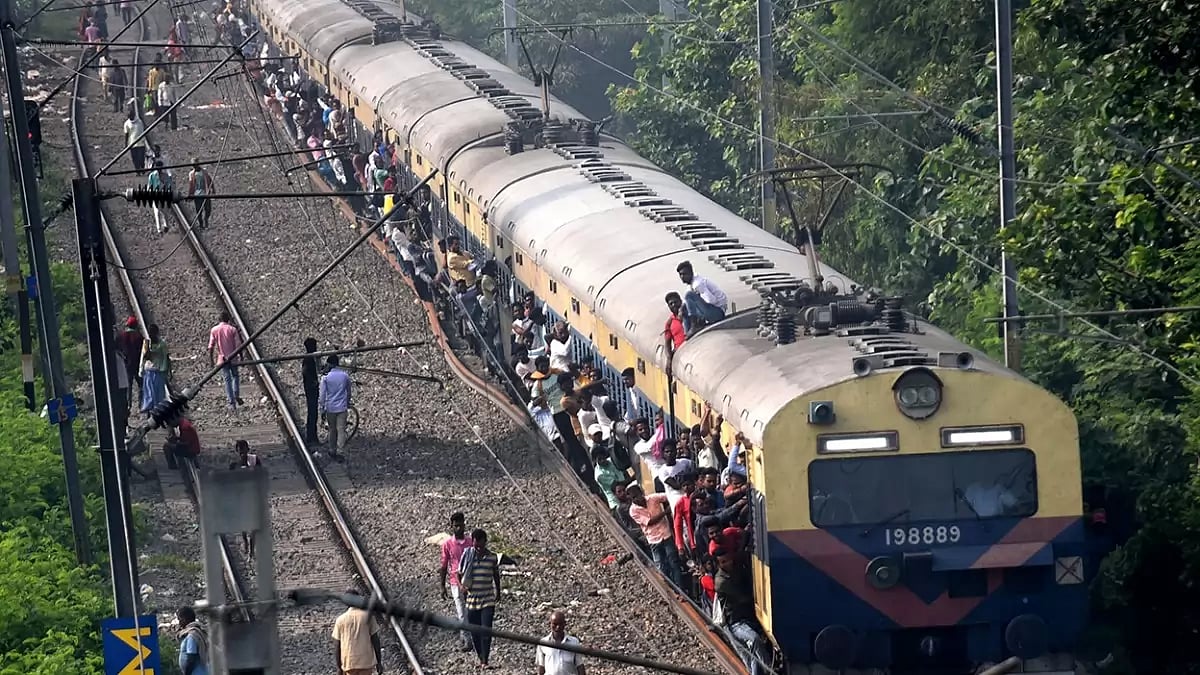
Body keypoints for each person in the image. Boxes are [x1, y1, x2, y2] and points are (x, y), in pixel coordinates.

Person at [627, 482, 684, 588]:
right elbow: (650, 522)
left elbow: (668, 496)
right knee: (661, 567)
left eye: (638, 495)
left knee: (674, 562)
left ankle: (680, 589)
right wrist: (665, 512)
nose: (637, 499)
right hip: (653, 539)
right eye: (634, 497)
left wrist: (670, 505)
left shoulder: (653, 498)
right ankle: (670, 588)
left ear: (642, 492)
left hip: (666, 535)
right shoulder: (633, 511)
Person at [459, 528, 500, 667]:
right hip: (472, 600)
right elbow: (459, 573)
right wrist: (461, 587)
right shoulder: (468, 555)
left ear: (485, 542)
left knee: (486, 629)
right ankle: (480, 655)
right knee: (475, 631)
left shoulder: (492, 557)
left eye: (480, 545)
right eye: (476, 545)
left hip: (487, 599)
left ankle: (485, 660)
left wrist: (498, 591)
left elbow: (496, 574)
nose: (478, 548)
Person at [438, 512, 475, 651]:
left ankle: (466, 634)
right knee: (461, 610)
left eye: (461, 525)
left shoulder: (470, 542)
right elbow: (443, 565)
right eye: (456, 526)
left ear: (464, 525)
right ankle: (467, 638)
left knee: (470, 610)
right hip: (455, 582)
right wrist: (442, 586)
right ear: (452, 527)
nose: (459, 528)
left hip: (471, 581)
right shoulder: (447, 544)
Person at [332, 590, 384, 675]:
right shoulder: (368, 617)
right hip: (366, 662)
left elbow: (337, 645)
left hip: (349, 663)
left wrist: (339, 667)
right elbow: (375, 640)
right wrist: (379, 662)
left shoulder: (340, 620)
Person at [676, 261, 728, 335]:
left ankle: (695, 325)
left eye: (684, 274)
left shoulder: (698, 284)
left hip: (718, 312)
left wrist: (699, 305)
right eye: (680, 274)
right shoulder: (691, 285)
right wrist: (681, 309)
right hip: (712, 311)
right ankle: (687, 332)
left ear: (691, 273)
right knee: (684, 308)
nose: (682, 277)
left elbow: (712, 301)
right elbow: (686, 303)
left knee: (689, 295)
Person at [229, 440, 261, 555]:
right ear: (237, 451)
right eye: (240, 451)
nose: (242, 453)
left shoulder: (254, 460)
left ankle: (251, 549)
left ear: (248, 449)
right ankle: (245, 542)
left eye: (244, 450)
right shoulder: (234, 465)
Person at [319, 354, 351, 458]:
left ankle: (332, 449)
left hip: (330, 407)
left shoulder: (326, 378)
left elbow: (322, 395)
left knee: (332, 429)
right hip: (342, 407)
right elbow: (349, 392)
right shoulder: (345, 376)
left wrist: (322, 408)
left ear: (329, 364)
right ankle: (340, 451)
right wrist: (347, 402)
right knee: (341, 429)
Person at [208, 311, 242, 409]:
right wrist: (241, 357)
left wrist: (211, 360)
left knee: (227, 379)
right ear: (228, 319)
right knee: (235, 376)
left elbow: (211, 346)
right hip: (233, 357)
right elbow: (238, 345)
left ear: (219, 320)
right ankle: (236, 394)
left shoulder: (214, 330)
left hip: (222, 359)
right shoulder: (233, 329)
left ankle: (231, 403)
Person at [536, 611, 586, 675]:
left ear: (565, 624)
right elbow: (541, 668)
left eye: (560, 624)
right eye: (555, 624)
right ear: (550, 624)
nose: (558, 627)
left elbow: (580, 666)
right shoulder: (543, 643)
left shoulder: (574, 642)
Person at [140, 323, 170, 417]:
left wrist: (141, 368)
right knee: (152, 393)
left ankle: (154, 411)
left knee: (154, 393)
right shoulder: (149, 343)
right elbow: (143, 357)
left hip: (155, 371)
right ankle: (152, 412)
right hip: (152, 371)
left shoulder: (160, 344)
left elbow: (166, 357)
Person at [176, 606, 210, 675]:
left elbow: (191, 658)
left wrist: (187, 673)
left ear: (185, 619)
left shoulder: (192, 635)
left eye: (180, 619)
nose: (179, 623)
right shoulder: (196, 632)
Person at [302, 337, 320, 443]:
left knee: (313, 412)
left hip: (310, 388)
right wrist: (314, 381)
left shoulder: (309, 358)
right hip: (311, 389)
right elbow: (305, 372)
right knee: (313, 412)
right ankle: (311, 436)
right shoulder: (308, 359)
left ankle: (312, 436)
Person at [187, 160, 215, 229]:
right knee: (199, 211)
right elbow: (191, 185)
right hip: (197, 195)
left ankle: (206, 219)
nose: (194, 166)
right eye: (193, 165)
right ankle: (201, 224)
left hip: (205, 193)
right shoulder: (191, 174)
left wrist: (213, 188)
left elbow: (209, 179)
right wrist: (190, 194)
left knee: (208, 209)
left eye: (195, 165)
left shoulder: (204, 171)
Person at [148, 160, 172, 233]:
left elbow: (169, 185)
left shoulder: (165, 176)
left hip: (163, 195)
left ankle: (166, 225)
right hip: (155, 195)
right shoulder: (152, 175)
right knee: (157, 212)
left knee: (164, 212)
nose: (159, 169)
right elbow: (149, 186)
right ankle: (159, 229)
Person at [123, 110, 146, 175]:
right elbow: (126, 134)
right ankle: (137, 171)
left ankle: (142, 167)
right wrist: (126, 144)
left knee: (141, 158)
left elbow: (142, 131)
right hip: (132, 143)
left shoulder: (139, 122)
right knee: (135, 158)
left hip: (141, 143)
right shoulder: (127, 123)